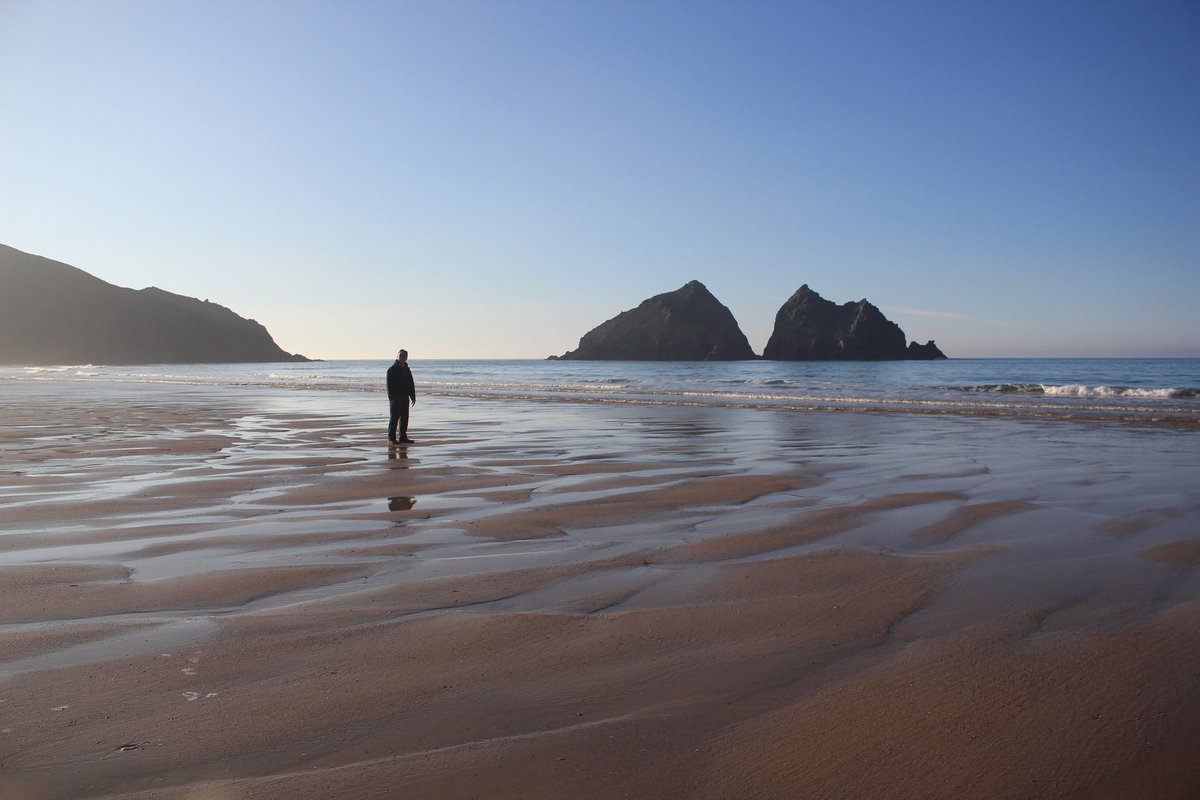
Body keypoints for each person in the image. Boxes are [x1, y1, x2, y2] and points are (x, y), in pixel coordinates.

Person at [387, 349, 416, 444]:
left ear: (406, 358)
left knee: (404, 418)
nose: (402, 357)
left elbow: (411, 383)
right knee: (394, 418)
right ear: (397, 356)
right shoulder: (392, 370)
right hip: (396, 398)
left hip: (405, 397)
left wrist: (413, 396)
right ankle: (391, 438)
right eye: (401, 355)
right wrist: (391, 399)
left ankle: (403, 437)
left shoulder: (406, 369)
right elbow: (389, 386)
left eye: (404, 356)